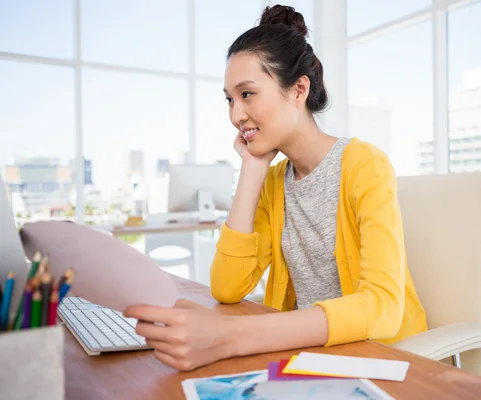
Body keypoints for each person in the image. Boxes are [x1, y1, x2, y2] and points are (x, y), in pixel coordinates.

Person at [124, 4, 427, 372]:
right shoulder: (273, 181)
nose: (236, 115)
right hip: (309, 358)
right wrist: (251, 169)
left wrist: (232, 336)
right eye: (229, 99)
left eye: (247, 94)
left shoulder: (366, 166)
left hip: (381, 360)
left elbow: (382, 306)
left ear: (299, 89)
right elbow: (227, 287)